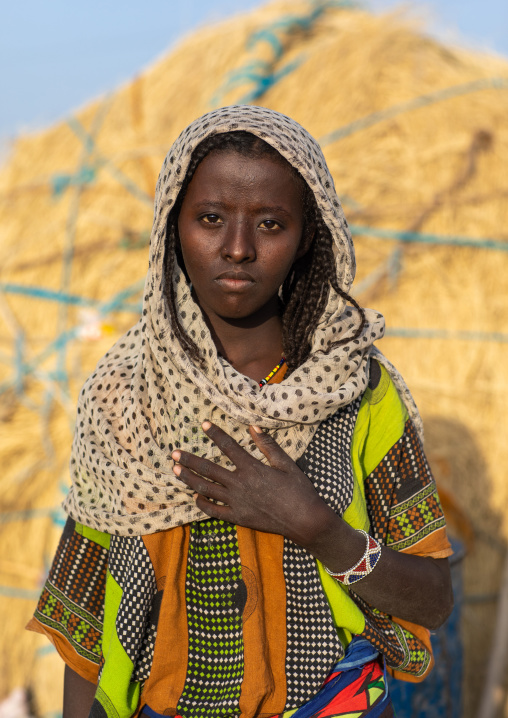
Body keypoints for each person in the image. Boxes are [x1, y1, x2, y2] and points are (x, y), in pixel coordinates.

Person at [28, 105, 454, 718]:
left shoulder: (358, 390)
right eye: (209, 219)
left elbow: (433, 599)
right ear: (172, 227)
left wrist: (318, 529)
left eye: (271, 224)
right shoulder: (126, 397)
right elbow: (85, 622)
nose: (237, 249)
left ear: (308, 235)